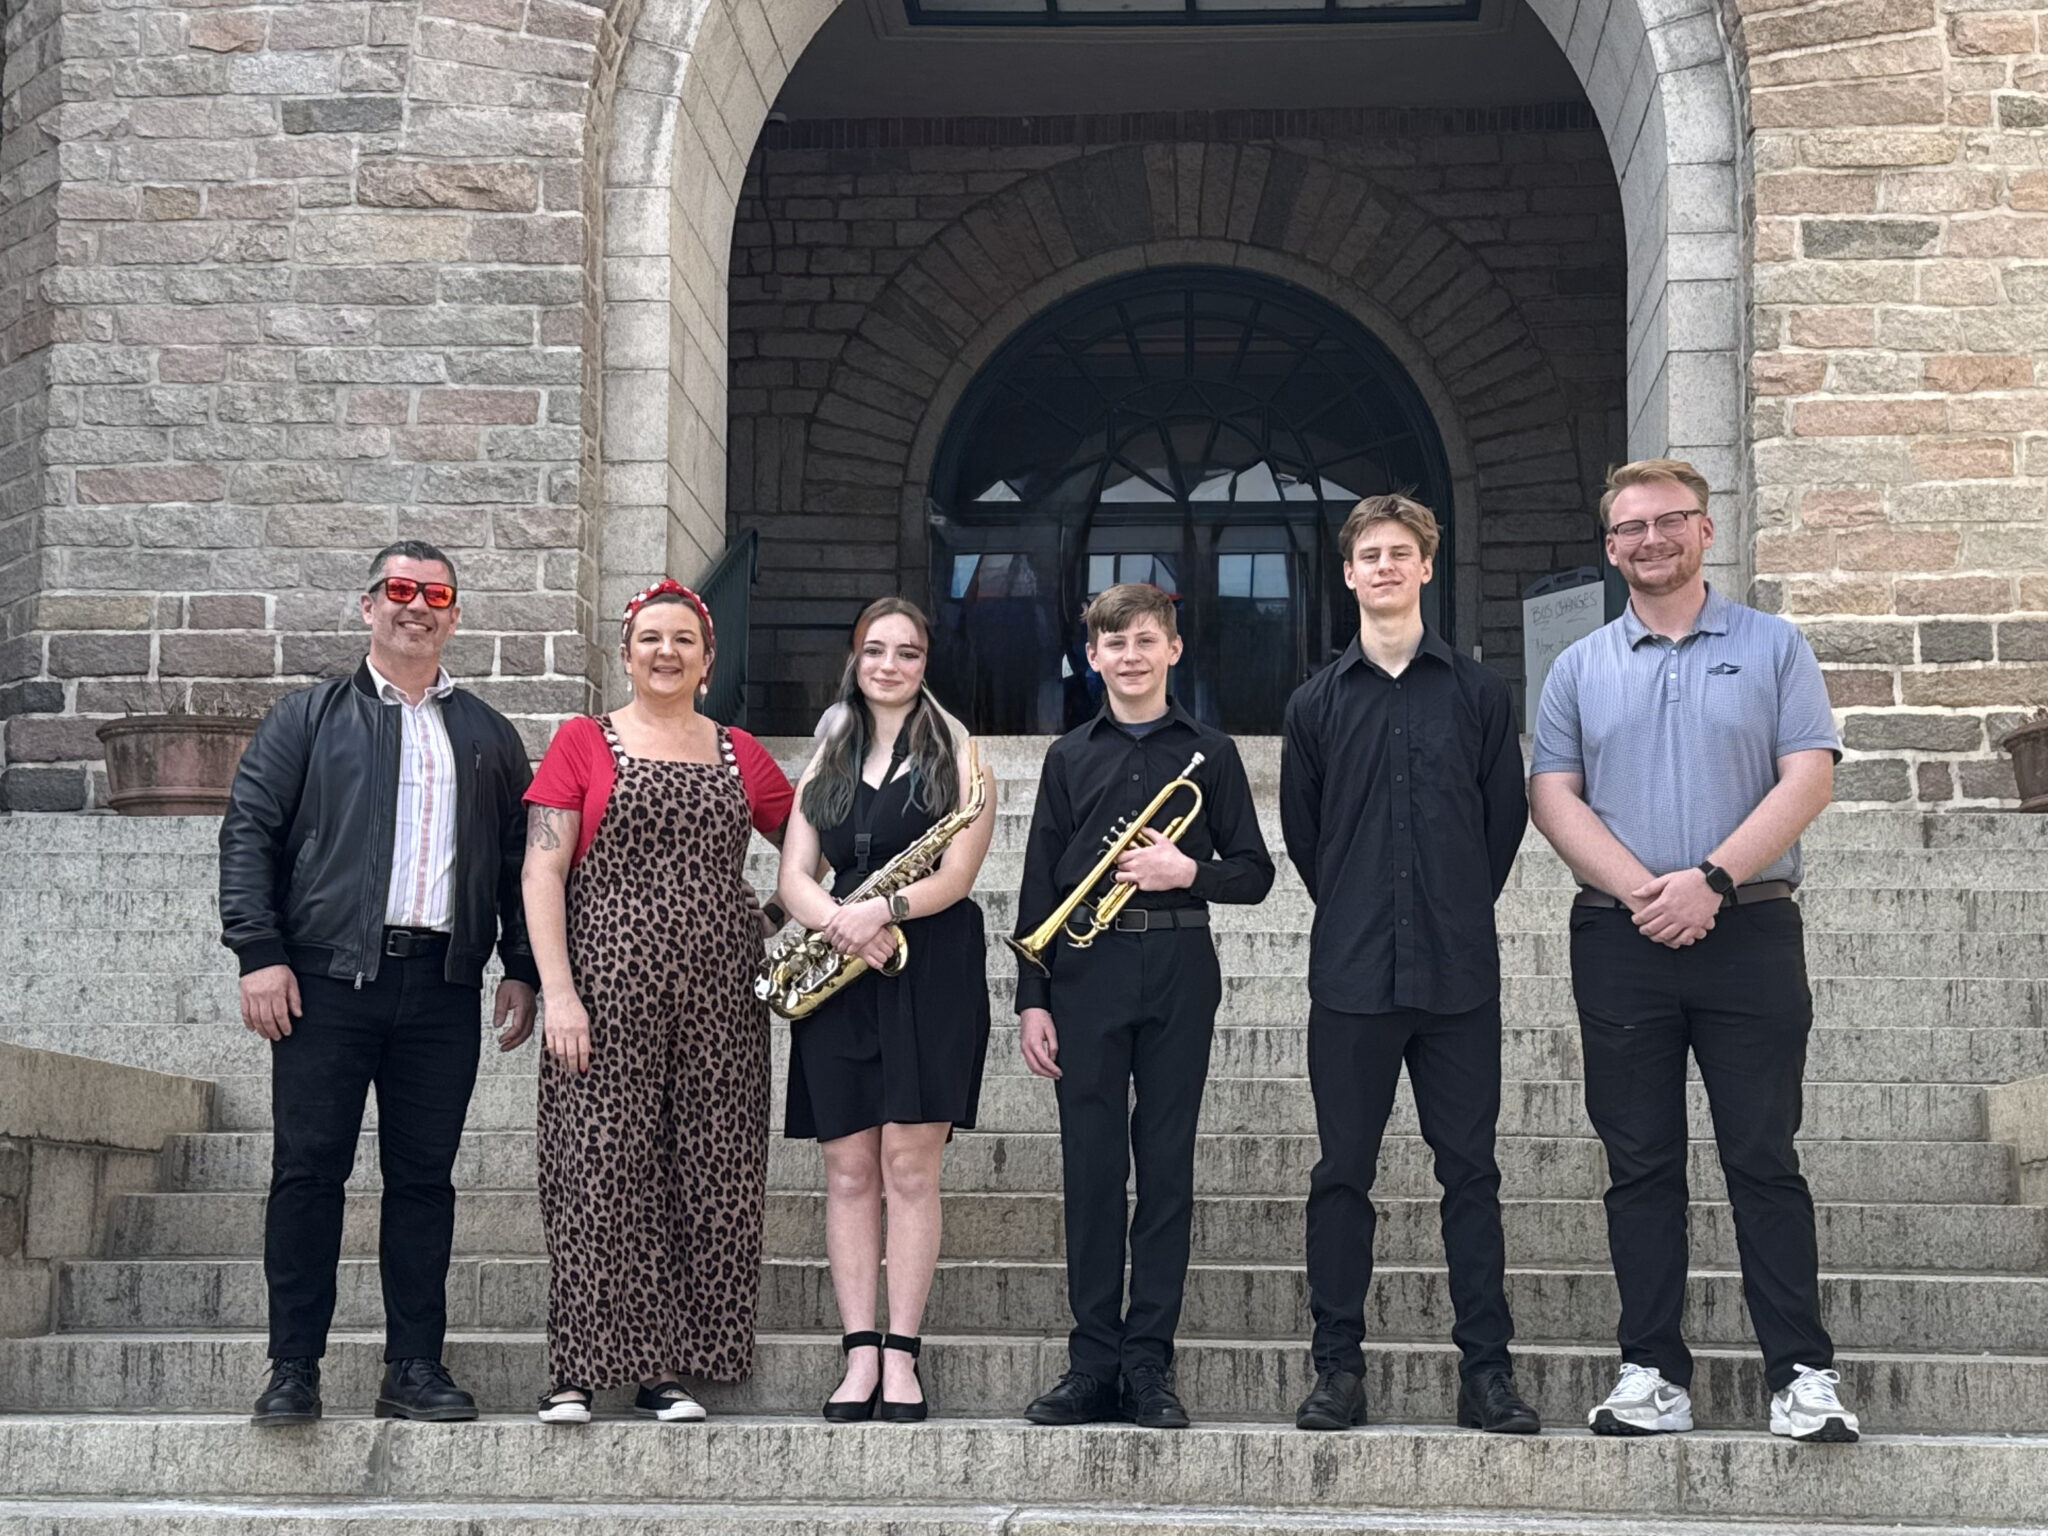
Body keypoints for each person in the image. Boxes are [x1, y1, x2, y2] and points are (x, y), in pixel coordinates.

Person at [1529, 458, 1858, 1444]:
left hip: (1748, 928)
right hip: (1620, 937)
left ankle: (1800, 1374)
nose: (1651, 540)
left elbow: (1807, 777)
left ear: (1704, 531)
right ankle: (1650, 1375)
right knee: (1638, 1164)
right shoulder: (1577, 666)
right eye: (1630, 528)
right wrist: (1646, 892)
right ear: (1609, 547)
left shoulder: (1773, 646)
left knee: (1762, 1156)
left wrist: (1709, 881)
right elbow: (1552, 795)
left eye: (1669, 520)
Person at [220, 539, 540, 1426]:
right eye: (400, 589)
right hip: (324, 981)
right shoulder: (308, 717)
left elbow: (516, 862)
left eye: (436, 595)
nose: (417, 606)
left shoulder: (487, 734)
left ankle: (414, 1366)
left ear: (455, 616)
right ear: (369, 605)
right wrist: (258, 952)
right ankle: (293, 1367)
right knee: (308, 1173)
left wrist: (519, 967)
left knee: (425, 1180)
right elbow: (249, 832)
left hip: (441, 987)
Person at [1279, 494, 1536, 1436]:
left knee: (1471, 1175)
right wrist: (1361, 911)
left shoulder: (1480, 695)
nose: (1384, 566)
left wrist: (1450, 909)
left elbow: (1501, 826)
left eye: (1401, 553)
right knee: (1342, 1176)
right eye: (1369, 555)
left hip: (1458, 975)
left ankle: (1487, 1375)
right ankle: (1337, 1370)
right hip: (1352, 976)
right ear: (1348, 574)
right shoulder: (1314, 704)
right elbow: (1306, 837)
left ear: (1427, 566)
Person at [520, 578, 794, 1425]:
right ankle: (576, 1369)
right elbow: (541, 870)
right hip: (605, 989)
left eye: (684, 640)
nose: (666, 652)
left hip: (723, 998)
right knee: (596, 1168)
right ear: (626, 653)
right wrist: (559, 993)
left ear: (708, 661)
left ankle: (666, 1370)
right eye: (650, 638)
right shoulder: (582, 740)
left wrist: (770, 918)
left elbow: (809, 844)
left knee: (710, 1170)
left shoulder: (741, 752)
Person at [1014, 582, 1275, 1430]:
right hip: (1085, 970)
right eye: (1114, 643)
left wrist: (1186, 871)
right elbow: (1038, 883)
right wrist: (1032, 999)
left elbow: (1257, 873)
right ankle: (1092, 1363)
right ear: (1092, 657)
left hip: (1178, 965)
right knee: (1091, 1170)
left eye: (1145, 640)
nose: (1131, 655)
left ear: (1174, 649)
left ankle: (1148, 1364)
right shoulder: (1068, 757)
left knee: (1165, 1169)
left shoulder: (1211, 753)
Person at [774, 596, 997, 1423]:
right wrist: (842, 922)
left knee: (908, 1167)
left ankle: (901, 1355)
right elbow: (793, 874)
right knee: (847, 1170)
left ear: (925, 663)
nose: (890, 665)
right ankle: (858, 1352)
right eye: (875, 650)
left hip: (929, 966)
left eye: (907, 652)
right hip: (842, 964)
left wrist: (884, 911)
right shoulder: (826, 755)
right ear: (855, 658)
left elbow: (958, 875)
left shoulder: (961, 754)